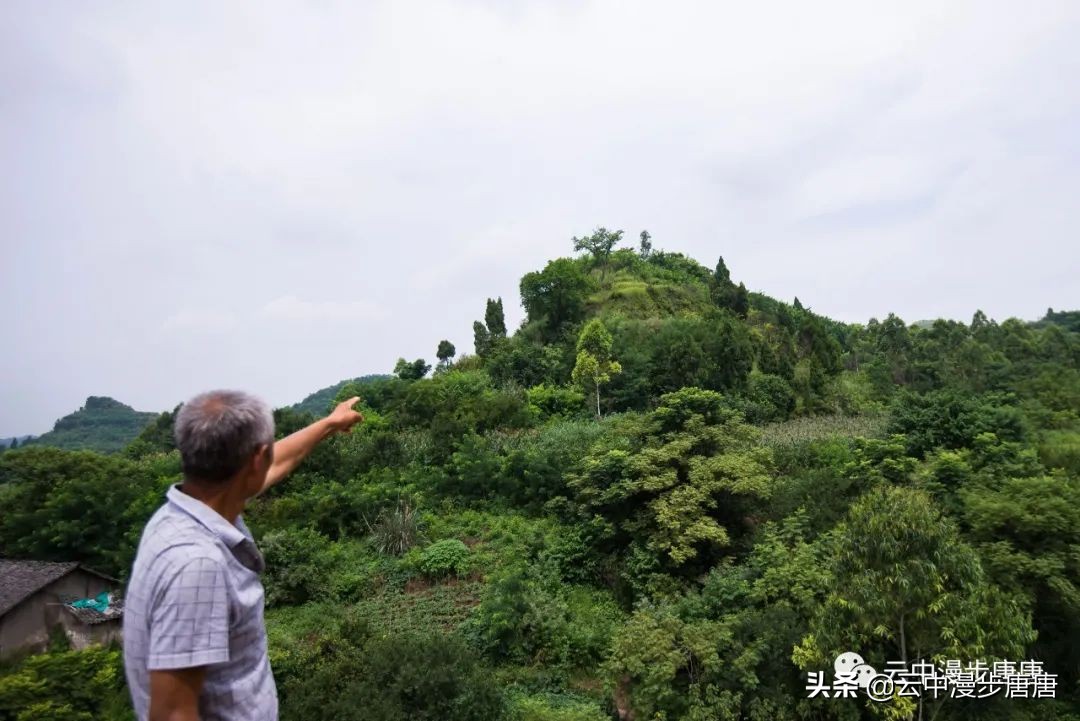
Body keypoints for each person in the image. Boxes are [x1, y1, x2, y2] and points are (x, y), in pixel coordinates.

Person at [123, 390, 364, 721]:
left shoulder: (182, 514)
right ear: (254, 460)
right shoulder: (197, 565)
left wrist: (330, 424)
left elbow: (275, 462)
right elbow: (172, 714)